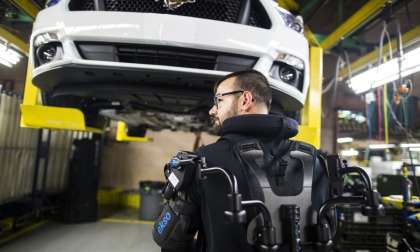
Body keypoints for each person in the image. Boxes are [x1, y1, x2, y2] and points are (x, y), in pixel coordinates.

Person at [155, 70, 330, 252]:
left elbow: (170, 239)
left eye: (219, 100)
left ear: (245, 100)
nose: (212, 110)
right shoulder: (313, 158)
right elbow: (327, 230)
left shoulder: (204, 160)